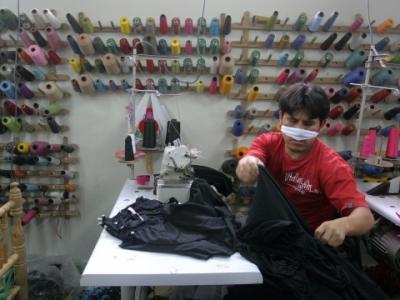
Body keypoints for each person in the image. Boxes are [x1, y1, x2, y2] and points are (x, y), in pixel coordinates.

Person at [236, 83, 374, 248]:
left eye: (308, 124)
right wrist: (248, 163)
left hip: (306, 242)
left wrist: (344, 225)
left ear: (321, 125)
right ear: (281, 117)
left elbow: (365, 217)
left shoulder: (332, 167)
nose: (298, 132)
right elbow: (253, 159)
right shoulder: (268, 143)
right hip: (267, 231)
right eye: (292, 121)